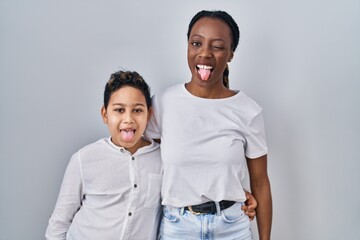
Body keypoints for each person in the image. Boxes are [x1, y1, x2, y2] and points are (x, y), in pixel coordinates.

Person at [145, 10, 272, 240]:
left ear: (231, 54)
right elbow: (144, 159)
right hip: (177, 228)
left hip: (232, 227)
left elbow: (261, 183)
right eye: (196, 43)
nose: (204, 53)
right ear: (187, 46)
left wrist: (229, 191)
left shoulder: (248, 110)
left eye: (217, 46)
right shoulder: (164, 102)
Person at [45, 70, 163, 240]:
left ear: (148, 114)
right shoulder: (84, 159)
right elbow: (59, 222)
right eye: (119, 110)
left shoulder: (162, 159)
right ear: (105, 114)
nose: (128, 119)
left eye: (137, 110)